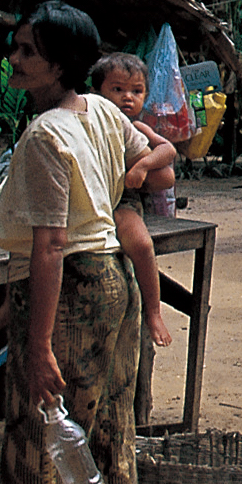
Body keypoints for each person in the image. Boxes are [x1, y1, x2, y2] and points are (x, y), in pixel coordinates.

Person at [0, 1, 155, 484]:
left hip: (71, 287)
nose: (15, 59)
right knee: (106, 427)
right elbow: (152, 157)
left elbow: (49, 246)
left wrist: (40, 341)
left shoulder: (47, 134)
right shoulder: (104, 112)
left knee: (39, 436)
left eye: (27, 50)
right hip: (113, 286)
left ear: (58, 59)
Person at [89, 52, 180, 352]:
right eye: (117, 89)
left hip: (123, 202)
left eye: (136, 91)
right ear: (96, 91)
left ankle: (153, 311)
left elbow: (168, 152)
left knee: (141, 245)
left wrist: (141, 167)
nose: (128, 97)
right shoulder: (89, 122)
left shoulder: (138, 128)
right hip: (89, 201)